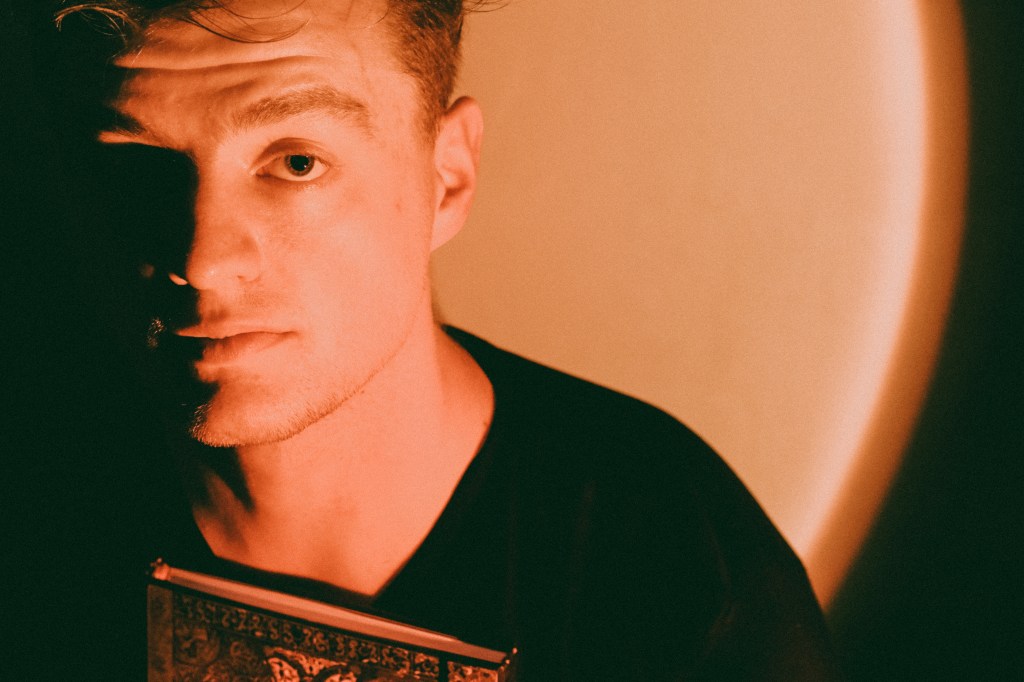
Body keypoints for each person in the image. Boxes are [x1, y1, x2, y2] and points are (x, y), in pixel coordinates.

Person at [44, 0, 841, 678]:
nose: (202, 259)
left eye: (297, 162)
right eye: (135, 165)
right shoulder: (37, 485)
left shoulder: (675, 574)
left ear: (447, 178)